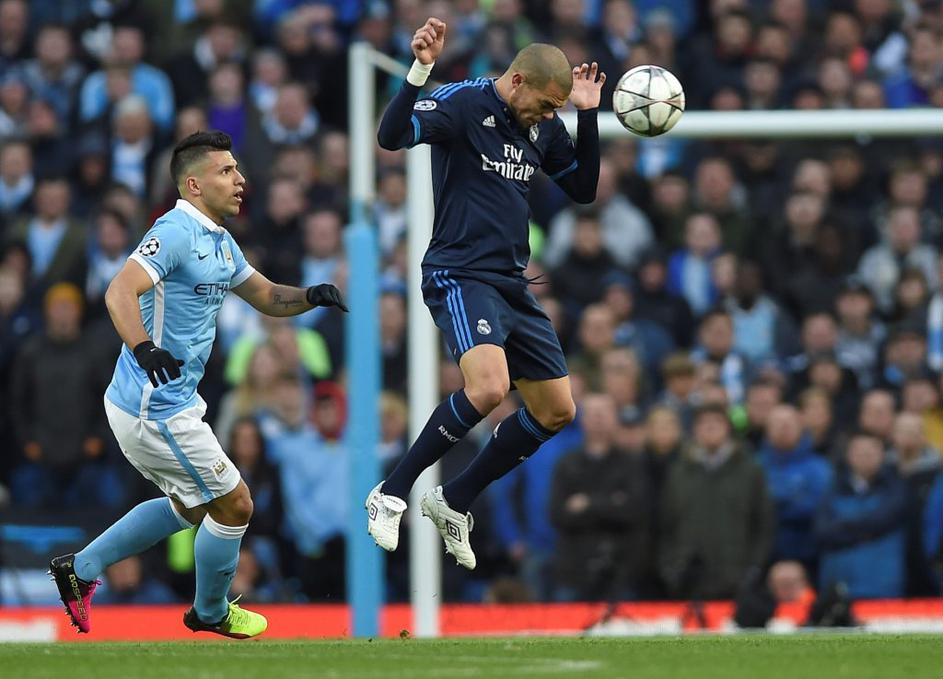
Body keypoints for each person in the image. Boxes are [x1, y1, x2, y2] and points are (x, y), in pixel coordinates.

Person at [48, 131, 347, 638]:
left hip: (170, 402)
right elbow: (120, 291)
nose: (240, 179)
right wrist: (144, 348)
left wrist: (311, 296)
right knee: (236, 503)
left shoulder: (219, 241)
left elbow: (266, 295)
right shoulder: (175, 231)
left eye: (237, 169)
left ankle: (81, 569)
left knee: (190, 505)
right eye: (226, 171)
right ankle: (210, 610)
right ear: (194, 184)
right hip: (153, 405)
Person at [367, 17, 604, 570]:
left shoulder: (545, 125)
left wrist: (588, 114)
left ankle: (454, 499)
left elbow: (583, 188)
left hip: (511, 283)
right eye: (544, 105)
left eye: (555, 110)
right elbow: (390, 137)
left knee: (557, 410)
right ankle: (392, 491)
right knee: (490, 387)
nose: (547, 116)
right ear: (517, 81)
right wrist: (419, 70)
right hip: (459, 273)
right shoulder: (462, 103)